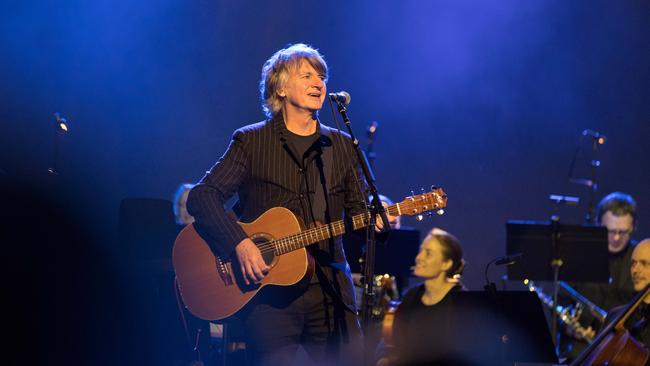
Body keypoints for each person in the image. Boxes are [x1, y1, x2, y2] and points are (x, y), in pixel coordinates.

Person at [186, 43, 385, 366]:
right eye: (306, 75)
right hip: (270, 297)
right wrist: (240, 244)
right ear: (280, 87)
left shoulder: (343, 146)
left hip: (331, 290)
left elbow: (360, 216)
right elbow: (202, 197)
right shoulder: (251, 141)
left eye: (321, 76)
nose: (318, 82)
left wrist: (378, 222)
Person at [564, 192, 639, 359]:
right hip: (581, 350)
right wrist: (567, 326)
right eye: (610, 231)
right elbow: (562, 301)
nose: (617, 238)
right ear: (598, 224)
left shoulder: (641, 260)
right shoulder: (580, 256)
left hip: (625, 352)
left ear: (633, 227)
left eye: (623, 232)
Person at [377, 228, 466, 365]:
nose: (419, 257)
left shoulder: (461, 301)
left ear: (446, 264)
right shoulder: (413, 296)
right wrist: (383, 359)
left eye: (428, 253)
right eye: (421, 251)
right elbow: (391, 341)